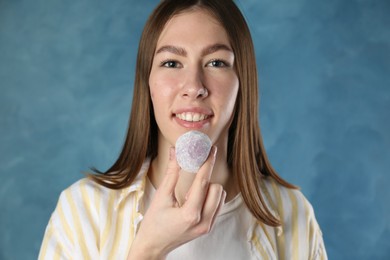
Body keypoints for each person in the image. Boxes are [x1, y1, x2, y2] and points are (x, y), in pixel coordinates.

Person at [39, 0, 327, 259]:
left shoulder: (293, 214)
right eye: (172, 62)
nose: (194, 87)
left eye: (216, 62)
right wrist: (149, 250)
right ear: (148, 82)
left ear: (243, 83)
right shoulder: (83, 210)